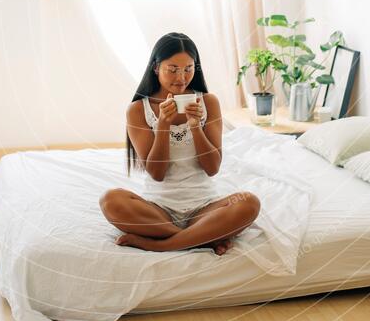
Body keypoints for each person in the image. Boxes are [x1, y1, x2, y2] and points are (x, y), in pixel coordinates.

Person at [99, 31, 260, 255]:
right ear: (156, 67)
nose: (181, 78)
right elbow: (156, 172)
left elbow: (213, 168)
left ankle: (160, 243)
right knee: (111, 200)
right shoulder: (137, 110)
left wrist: (195, 126)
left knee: (249, 203)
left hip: (204, 208)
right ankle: (204, 237)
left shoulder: (209, 102)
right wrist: (163, 124)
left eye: (188, 69)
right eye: (172, 69)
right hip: (158, 210)